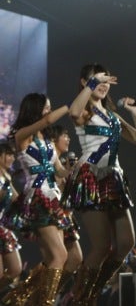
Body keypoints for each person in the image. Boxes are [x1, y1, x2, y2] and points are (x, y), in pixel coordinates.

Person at [61, 64, 136, 304]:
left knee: (127, 242)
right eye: (97, 80)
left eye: (105, 81)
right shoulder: (84, 111)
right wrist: (93, 83)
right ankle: (79, 298)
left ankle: (91, 291)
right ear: (85, 82)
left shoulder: (113, 116)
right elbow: (73, 112)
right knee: (101, 246)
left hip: (113, 179)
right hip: (91, 178)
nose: (103, 85)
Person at [3, 94, 72, 305]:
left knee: (53, 258)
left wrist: (71, 169)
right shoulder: (22, 135)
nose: (49, 111)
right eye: (46, 107)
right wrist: (73, 103)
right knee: (60, 255)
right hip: (37, 199)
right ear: (34, 109)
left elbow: (59, 171)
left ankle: (21, 298)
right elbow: (49, 120)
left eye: (50, 107)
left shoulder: (47, 139)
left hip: (54, 198)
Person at [41, 124, 83, 296]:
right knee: (56, 258)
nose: (68, 139)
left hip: (65, 216)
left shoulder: (62, 165)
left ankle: (48, 294)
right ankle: (39, 296)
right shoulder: (47, 165)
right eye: (64, 136)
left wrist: (72, 174)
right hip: (51, 214)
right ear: (53, 140)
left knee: (75, 259)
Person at [0, 142, 21, 294]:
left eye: (13, 155)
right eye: (8, 155)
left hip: (2, 228)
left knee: (15, 269)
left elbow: (16, 199)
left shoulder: (6, 177)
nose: (12, 158)